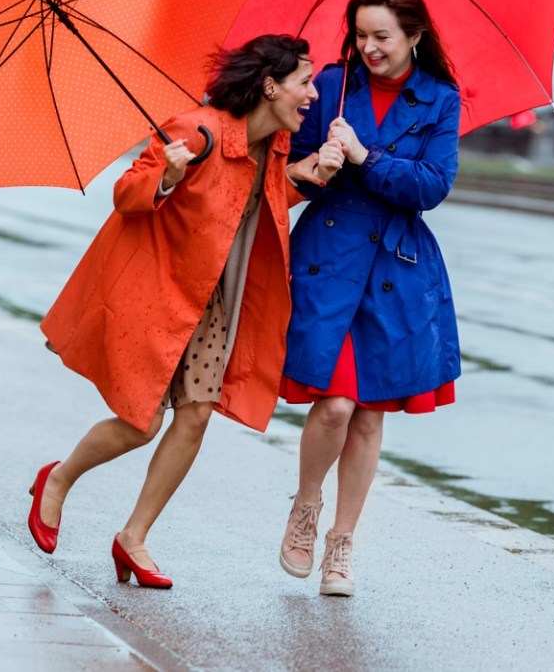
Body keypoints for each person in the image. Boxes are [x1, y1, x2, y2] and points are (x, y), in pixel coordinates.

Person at [29, 34, 345, 588]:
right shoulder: (196, 130)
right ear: (270, 87)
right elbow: (127, 193)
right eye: (304, 82)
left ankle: (134, 538)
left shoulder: (270, 148)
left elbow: (254, 203)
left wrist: (305, 175)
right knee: (141, 423)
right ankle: (56, 480)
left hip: (214, 304)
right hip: (160, 296)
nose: (313, 95)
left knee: (195, 417)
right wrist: (166, 176)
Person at [277, 0, 462, 597]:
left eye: (382, 36)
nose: (369, 47)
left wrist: (363, 157)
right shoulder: (329, 85)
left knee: (369, 413)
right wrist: (317, 169)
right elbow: (284, 170)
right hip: (329, 259)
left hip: (398, 269)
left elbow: (432, 186)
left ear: (415, 35)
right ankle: (306, 507)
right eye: (361, 35)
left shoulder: (440, 99)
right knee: (333, 404)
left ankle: (341, 545)